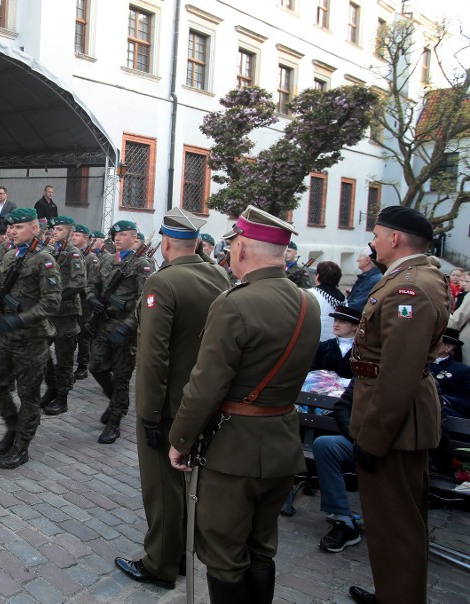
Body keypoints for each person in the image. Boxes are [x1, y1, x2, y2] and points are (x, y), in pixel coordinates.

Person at [168, 205, 321, 603]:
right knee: (261, 545)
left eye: (233, 242)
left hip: (234, 451)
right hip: (282, 443)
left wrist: (181, 439)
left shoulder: (234, 303)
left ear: (243, 249)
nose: (231, 250)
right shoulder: (308, 303)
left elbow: (205, 386)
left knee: (222, 552)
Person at [115, 208, 229, 590]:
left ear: (164, 243)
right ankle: (181, 553)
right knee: (187, 483)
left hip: (167, 404)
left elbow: (153, 357)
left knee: (162, 486)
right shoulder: (218, 274)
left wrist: (148, 414)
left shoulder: (162, 283)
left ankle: (161, 564)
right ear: (197, 242)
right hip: (202, 398)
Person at [347, 206, 450, 604]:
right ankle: (394, 592)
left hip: (394, 423)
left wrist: (372, 438)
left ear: (394, 238)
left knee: (397, 522)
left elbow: (399, 373)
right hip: (391, 416)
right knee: (390, 519)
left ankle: (401, 597)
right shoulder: (409, 278)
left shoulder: (412, 287)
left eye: (376, 234)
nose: (371, 242)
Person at [0, 207, 61, 469]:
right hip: (5, 335)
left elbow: (52, 302)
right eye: (10, 227)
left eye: (18, 227)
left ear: (35, 229)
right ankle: (12, 423)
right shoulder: (8, 254)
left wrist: (21, 318)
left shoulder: (44, 259)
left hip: (31, 338)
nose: (12, 231)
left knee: (29, 394)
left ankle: (21, 446)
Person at [86, 220, 152, 444]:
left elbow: (144, 302)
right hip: (104, 324)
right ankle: (115, 398)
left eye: (124, 235)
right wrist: (93, 298)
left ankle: (114, 421)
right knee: (96, 366)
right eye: (116, 234)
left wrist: (127, 326)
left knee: (122, 376)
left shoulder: (141, 264)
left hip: (125, 328)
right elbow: (91, 284)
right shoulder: (105, 260)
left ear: (134, 239)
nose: (118, 238)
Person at [40, 216, 86, 415]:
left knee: (64, 358)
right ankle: (52, 387)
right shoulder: (51, 251)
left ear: (69, 231)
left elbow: (78, 283)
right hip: (50, 314)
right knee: (43, 354)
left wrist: (56, 297)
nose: (54, 232)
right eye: (53, 229)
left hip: (66, 314)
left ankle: (62, 397)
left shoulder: (73, 254)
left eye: (59, 229)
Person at [311, 381, 361, 553]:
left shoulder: (419, 377)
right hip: (360, 440)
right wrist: (356, 437)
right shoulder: (366, 370)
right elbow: (343, 407)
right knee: (324, 444)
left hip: (397, 448)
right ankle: (343, 519)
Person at [71, 224, 96, 380]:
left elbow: (92, 282)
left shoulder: (90, 258)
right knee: (73, 333)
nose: (74, 237)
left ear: (85, 238)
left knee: (83, 335)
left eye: (78, 235)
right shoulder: (74, 254)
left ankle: (82, 365)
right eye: (73, 235)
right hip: (73, 301)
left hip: (85, 302)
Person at [310, 306, 360, 379]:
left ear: (355, 326)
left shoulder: (362, 349)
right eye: (335, 320)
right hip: (322, 389)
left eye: (342, 322)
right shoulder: (322, 346)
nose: (336, 325)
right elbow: (312, 372)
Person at [434, 327, 470, 419]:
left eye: (435, 340)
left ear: (448, 348)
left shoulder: (463, 370)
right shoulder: (419, 365)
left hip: (446, 414)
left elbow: (467, 402)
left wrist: (442, 400)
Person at [308, 261, 345, 341]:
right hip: (335, 343)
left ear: (317, 276)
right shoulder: (344, 299)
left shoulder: (310, 294)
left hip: (315, 342)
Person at [345, 247, 383, 311]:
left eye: (360, 256)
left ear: (367, 260)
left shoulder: (373, 280)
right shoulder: (367, 277)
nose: (357, 260)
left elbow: (356, 306)